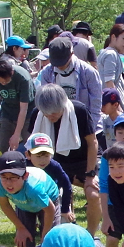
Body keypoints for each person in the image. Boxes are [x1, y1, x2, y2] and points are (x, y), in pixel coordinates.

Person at [31, 84, 102, 233]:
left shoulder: (79, 111)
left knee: (94, 194)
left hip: (85, 159)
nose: (51, 117)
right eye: (47, 113)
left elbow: (92, 143)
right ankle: (60, 228)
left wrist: (90, 175)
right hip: (56, 161)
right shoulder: (37, 115)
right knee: (52, 194)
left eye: (55, 113)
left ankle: (91, 235)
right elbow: (32, 147)